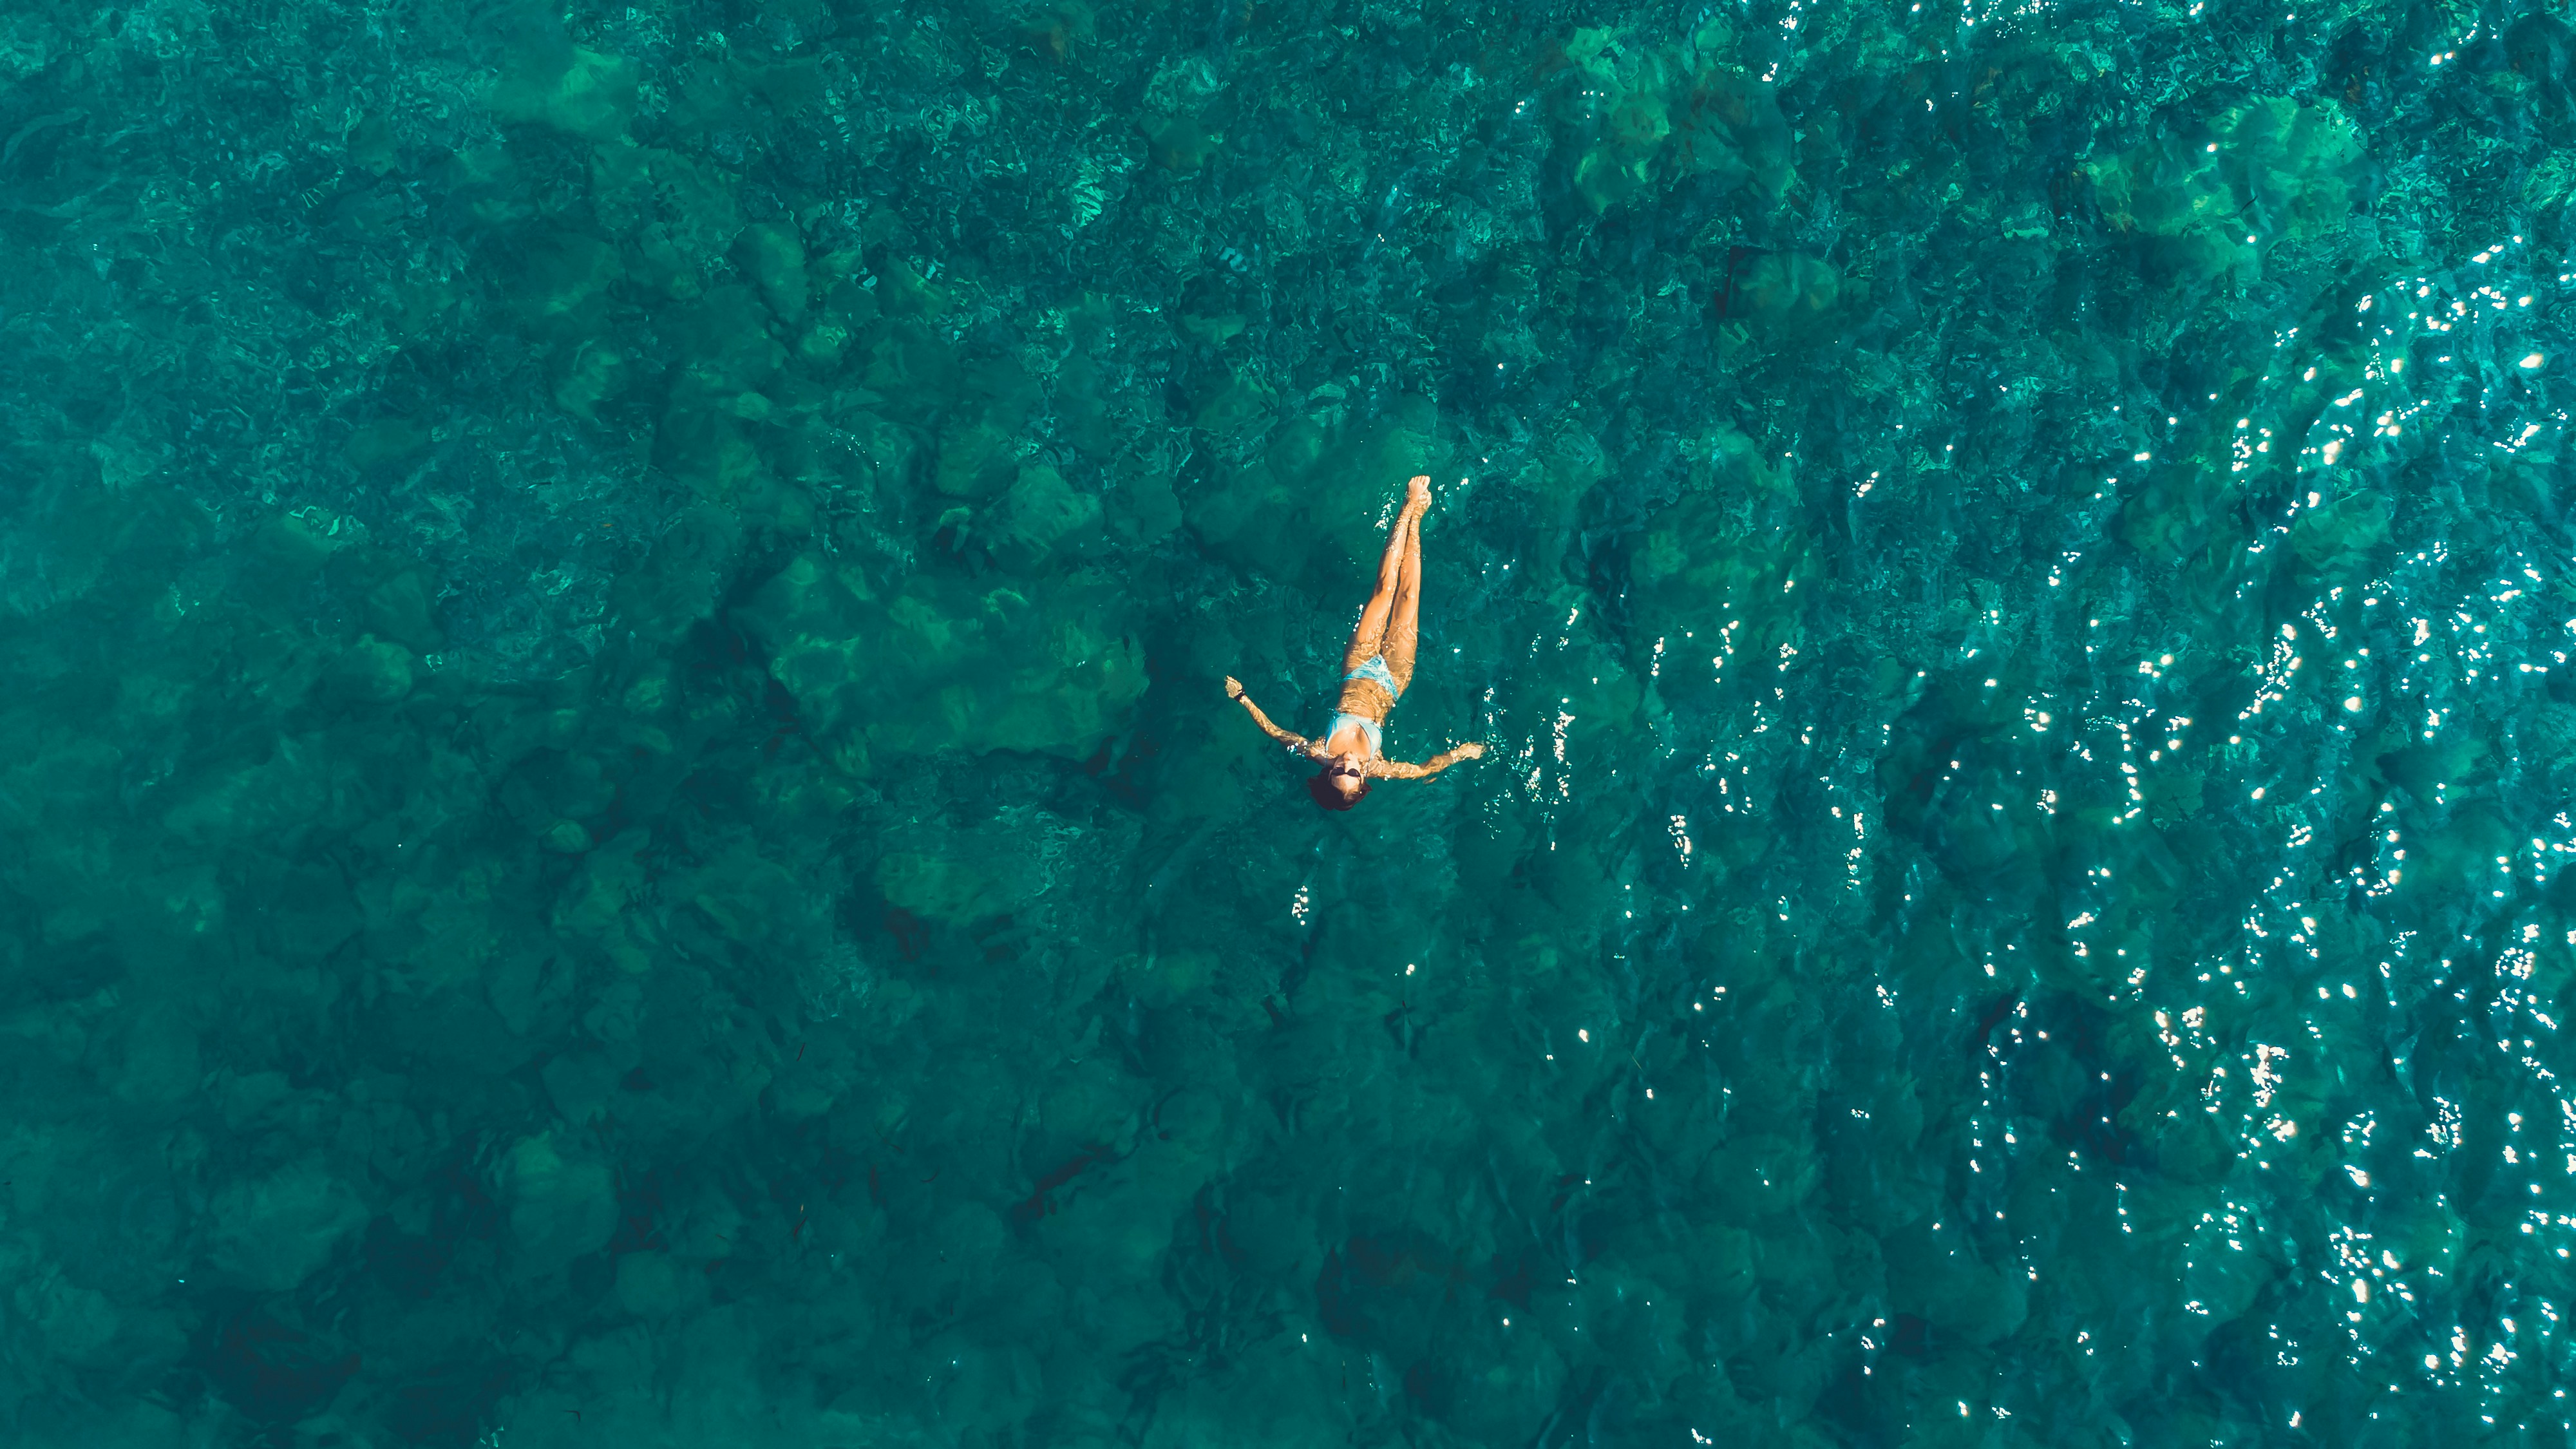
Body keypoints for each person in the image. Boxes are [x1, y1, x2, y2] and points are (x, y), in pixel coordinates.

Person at [1224, 475, 1486, 810]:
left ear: (1327, 772)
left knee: (1383, 590)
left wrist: (1243, 698)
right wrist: (1461, 754)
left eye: (1338, 770)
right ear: (1363, 781)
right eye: (1353, 771)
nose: (1348, 761)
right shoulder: (1377, 766)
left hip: (1359, 666)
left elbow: (1276, 732)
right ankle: (1418, 520)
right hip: (1393, 680)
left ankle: (1407, 508)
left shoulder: (1319, 751)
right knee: (1409, 595)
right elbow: (1423, 770)